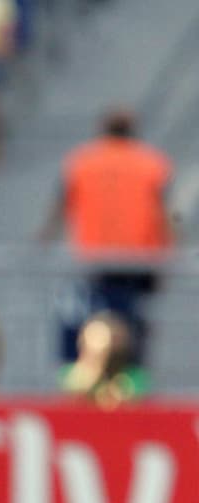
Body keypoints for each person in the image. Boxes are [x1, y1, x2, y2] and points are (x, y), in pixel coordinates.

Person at [40, 107, 173, 365]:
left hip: (95, 258)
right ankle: (131, 376)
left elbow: (61, 204)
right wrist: (168, 254)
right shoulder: (151, 163)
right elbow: (165, 213)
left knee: (96, 321)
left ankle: (94, 374)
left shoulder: (82, 161)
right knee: (132, 323)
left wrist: (45, 238)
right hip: (138, 260)